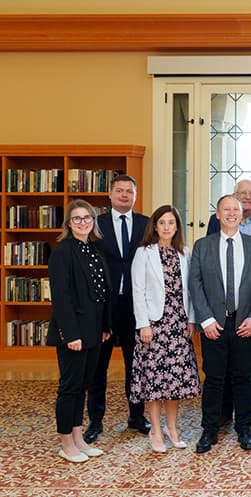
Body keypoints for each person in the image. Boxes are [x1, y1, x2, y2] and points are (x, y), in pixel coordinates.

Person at [190, 194, 251, 454]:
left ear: (242, 214)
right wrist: (206, 319)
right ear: (218, 215)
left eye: (237, 209)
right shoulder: (203, 246)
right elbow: (195, 285)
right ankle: (209, 429)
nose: (232, 213)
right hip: (214, 325)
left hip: (245, 324)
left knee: (243, 377)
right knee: (213, 378)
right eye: (227, 209)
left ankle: (243, 427)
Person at [206, 179, 251, 430]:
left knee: (247, 369)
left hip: (249, 316)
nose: (246, 198)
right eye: (241, 194)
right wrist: (206, 316)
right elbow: (205, 275)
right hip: (217, 316)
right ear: (219, 213)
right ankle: (221, 416)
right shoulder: (208, 239)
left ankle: (245, 419)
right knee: (217, 373)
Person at [130, 205, 201, 453]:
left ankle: (172, 428)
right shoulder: (144, 253)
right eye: (162, 222)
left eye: (171, 223)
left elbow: (190, 291)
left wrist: (191, 320)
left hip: (178, 325)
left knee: (175, 382)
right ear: (155, 226)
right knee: (155, 382)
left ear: (177, 227)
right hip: (154, 325)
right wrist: (143, 324)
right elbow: (137, 290)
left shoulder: (185, 253)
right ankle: (156, 431)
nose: (167, 227)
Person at [84, 174, 150, 443]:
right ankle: (95, 421)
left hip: (136, 306)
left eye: (129, 191)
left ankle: (136, 416)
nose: (124, 195)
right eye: (119, 191)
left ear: (135, 195)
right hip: (104, 307)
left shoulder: (146, 225)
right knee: (98, 367)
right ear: (109, 195)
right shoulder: (95, 225)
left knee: (136, 365)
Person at [49, 199, 110, 462]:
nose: (83, 222)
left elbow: (103, 292)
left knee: (84, 385)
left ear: (93, 222)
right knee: (70, 387)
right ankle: (66, 443)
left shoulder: (95, 249)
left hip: (95, 330)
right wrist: (70, 334)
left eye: (87, 218)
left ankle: (78, 437)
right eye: (77, 218)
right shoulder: (63, 252)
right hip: (73, 332)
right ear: (69, 223)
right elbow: (61, 298)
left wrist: (105, 326)